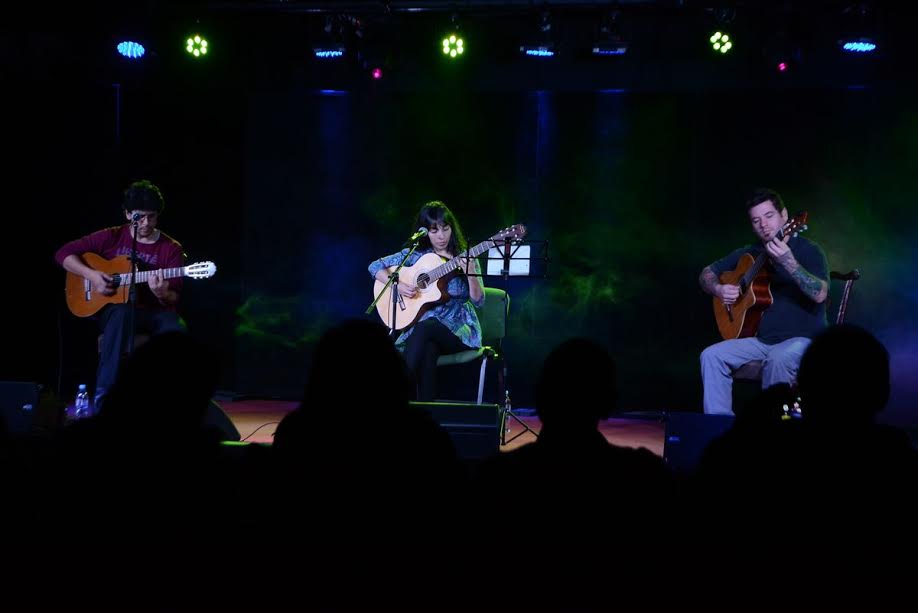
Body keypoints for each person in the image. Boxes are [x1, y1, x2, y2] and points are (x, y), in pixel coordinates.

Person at [55, 180, 186, 409]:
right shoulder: (111, 236)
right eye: (139, 217)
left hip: (154, 313)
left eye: (152, 217)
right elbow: (63, 253)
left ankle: (174, 402)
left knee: (176, 327)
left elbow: (174, 298)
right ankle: (104, 401)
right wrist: (93, 276)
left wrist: (162, 293)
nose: (145, 223)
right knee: (122, 312)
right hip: (116, 312)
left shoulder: (171, 248)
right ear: (127, 214)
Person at [699, 188, 828, 415]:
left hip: (803, 342)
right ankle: (718, 429)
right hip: (763, 342)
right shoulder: (750, 253)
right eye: (756, 220)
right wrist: (718, 289)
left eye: (769, 216)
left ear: (785, 216)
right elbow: (706, 273)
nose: (763, 225)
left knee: (779, 358)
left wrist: (788, 262)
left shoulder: (809, 250)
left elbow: (820, 294)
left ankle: (771, 434)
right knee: (711, 355)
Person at [368, 200, 485, 401]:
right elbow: (374, 266)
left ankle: (393, 390)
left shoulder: (465, 256)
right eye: (433, 230)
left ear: (452, 228)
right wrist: (396, 284)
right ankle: (427, 413)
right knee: (428, 349)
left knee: (425, 327)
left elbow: (479, 301)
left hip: (458, 330)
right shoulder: (416, 256)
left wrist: (472, 273)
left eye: (445, 229)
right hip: (427, 334)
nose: (441, 236)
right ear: (425, 232)